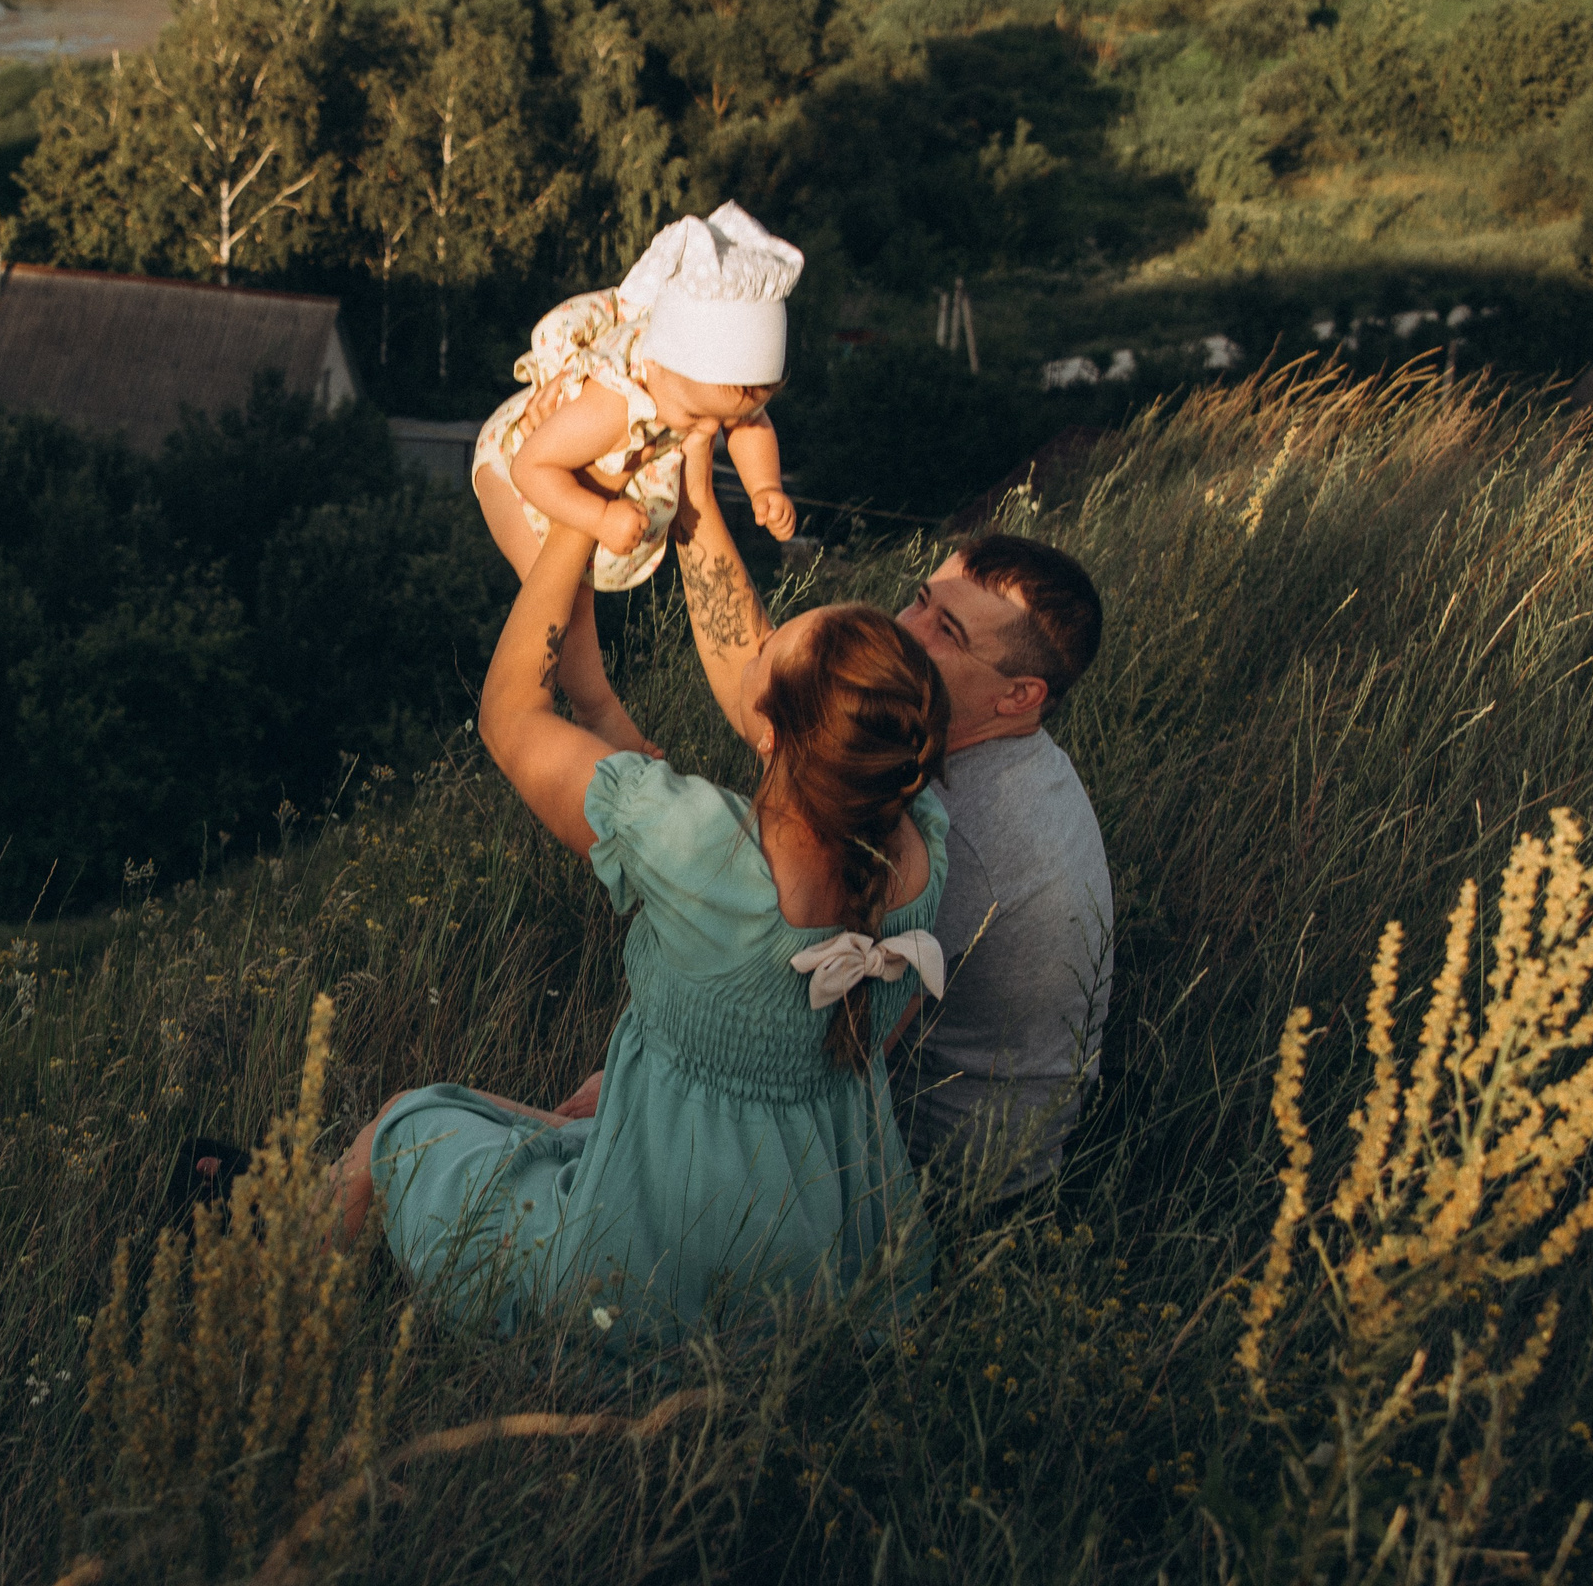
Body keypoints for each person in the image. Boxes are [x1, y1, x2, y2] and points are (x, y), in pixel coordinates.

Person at [330, 424, 949, 1341]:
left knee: (402, 1126)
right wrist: (693, 481)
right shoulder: (920, 847)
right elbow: (763, 677)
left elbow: (509, 717)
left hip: (657, 1263)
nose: (757, 643)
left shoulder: (694, 847)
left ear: (770, 733)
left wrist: (575, 516)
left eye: (772, 647)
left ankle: (270, 1288)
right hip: (831, 1252)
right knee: (559, 1118)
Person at [472, 202, 801, 756]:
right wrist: (599, 515)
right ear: (654, 365)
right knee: (563, 598)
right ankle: (597, 710)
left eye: (722, 421)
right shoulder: (612, 403)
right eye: (696, 417)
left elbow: (751, 424)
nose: (708, 433)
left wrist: (764, 486)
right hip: (516, 472)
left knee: (574, 584)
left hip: (580, 472)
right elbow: (532, 467)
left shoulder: (697, 388)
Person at [890, 537, 1112, 1198]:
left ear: (1018, 695)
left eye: (947, 632)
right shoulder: (1006, 760)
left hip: (942, 1181)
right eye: (919, 601)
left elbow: (835, 1048)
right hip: (1003, 1145)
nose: (904, 631)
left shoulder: (961, 829)